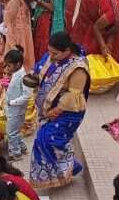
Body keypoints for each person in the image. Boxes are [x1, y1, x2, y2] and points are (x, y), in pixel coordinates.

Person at [30, 32, 90, 190]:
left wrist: (54, 111)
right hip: (49, 109)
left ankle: (65, 172)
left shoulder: (78, 68)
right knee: (48, 140)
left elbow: (73, 96)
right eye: (49, 51)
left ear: (67, 50)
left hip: (68, 112)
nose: (50, 55)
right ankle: (70, 167)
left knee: (47, 140)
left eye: (54, 53)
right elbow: (40, 70)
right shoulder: (54, 56)